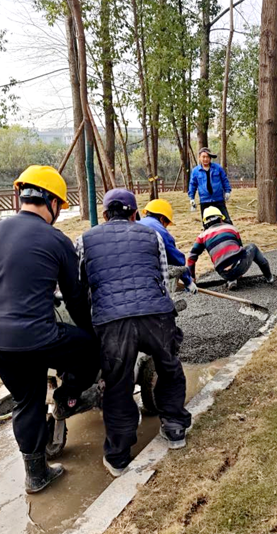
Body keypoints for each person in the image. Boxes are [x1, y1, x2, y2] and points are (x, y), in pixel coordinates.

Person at [0, 165, 99, 494]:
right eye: (60, 207)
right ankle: (68, 397)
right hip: (34, 336)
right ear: (53, 203)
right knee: (89, 349)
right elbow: (74, 298)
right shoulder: (56, 239)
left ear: (21, 195)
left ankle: (38, 469)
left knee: (26, 398)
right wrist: (92, 332)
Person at [76, 188, 193, 477]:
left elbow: (80, 284)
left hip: (112, 321)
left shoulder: (84, 239)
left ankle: (118, 456)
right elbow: (164, 276)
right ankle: (175, 428)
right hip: (155, 313)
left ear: (104, 215)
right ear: (135, 214)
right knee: (168, 365)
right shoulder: (151, 235)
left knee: (117, 383)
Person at [187, 206, 275, 290]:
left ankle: (232, 279)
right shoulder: (231, 228)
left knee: (227, 259)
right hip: (239, 266)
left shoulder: (202, 236)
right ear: (221, 219)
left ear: (205, 223)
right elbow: (240, 249)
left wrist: (192, 277)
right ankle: (269, 277)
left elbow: (191, 257)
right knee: (253, 247)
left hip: (223, 272)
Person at [138, 198, 196, 291]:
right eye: (167, 223)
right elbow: (176, 260)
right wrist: (188, 281)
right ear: (162, 218)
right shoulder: (160, 231)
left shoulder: (136, 223)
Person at [188, 147, 232, 224]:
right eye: (203, 157)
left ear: (210, 158)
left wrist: (227, 191)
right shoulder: (195, 171)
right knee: (207, 224)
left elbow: (224, 180)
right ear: (199, 158)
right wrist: (192, 198)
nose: (205, 159)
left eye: (207, 157)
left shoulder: (218, 168)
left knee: (226, 221)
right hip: (205, 201)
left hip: (218, 200)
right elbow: (192, 185)